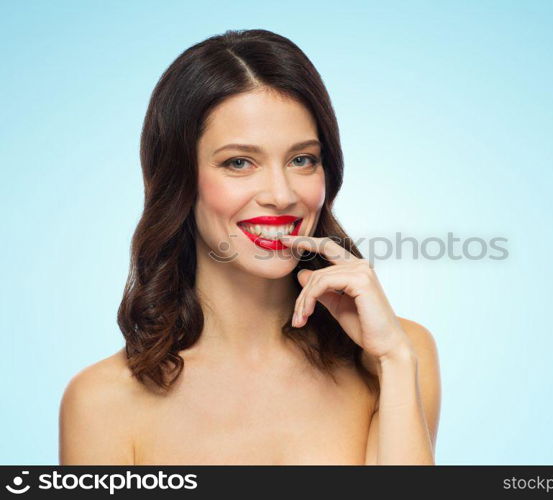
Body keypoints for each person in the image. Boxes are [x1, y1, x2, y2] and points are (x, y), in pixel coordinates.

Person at [59, 29, 441, 465]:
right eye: (239, 162)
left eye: (302, 160)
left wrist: (393, 359)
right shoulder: (101, 402)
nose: (280, 194)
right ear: (179, 179)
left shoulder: (398, 355)